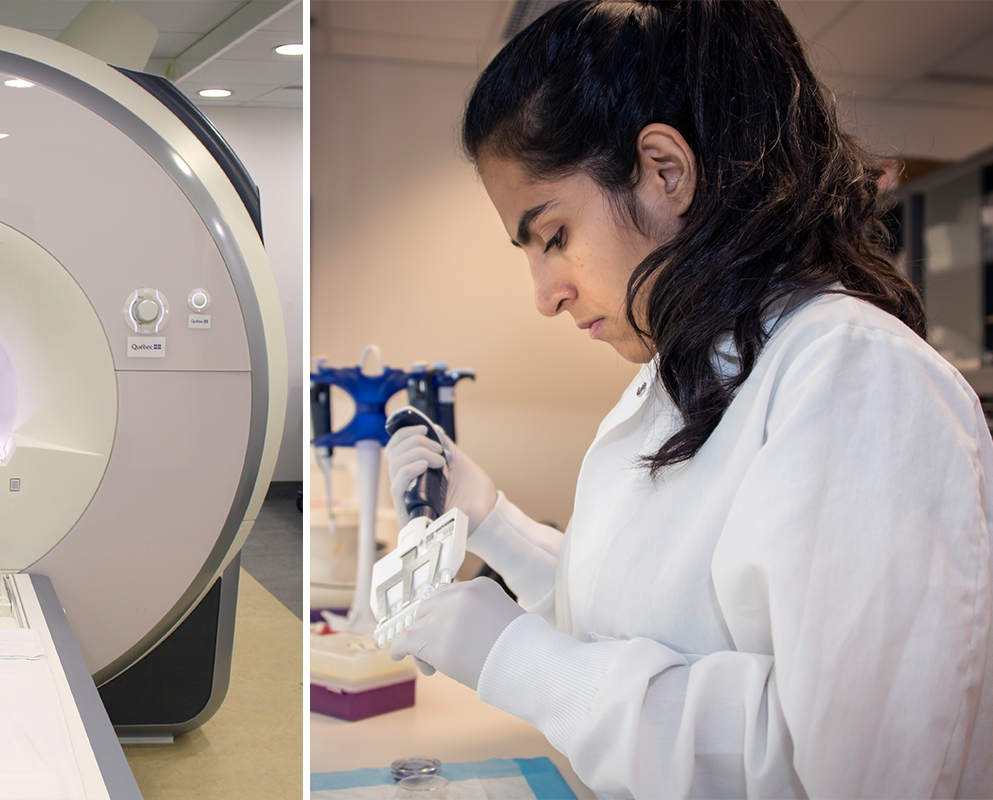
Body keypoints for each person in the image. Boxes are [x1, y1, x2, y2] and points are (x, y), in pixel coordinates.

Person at [383, 1, 993, 797]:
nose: (545, 293)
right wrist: (498, 526)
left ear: (666, 171)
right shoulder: (680, 373)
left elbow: (850, 775)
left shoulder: (855, 374)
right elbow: (644, 626)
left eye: (553, 235)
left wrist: (520, 660)